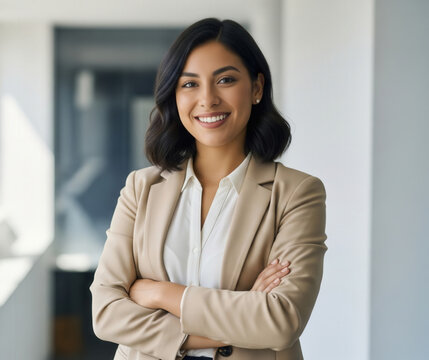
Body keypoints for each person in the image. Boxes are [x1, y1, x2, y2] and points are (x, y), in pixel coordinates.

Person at [90, 18, 327, 360]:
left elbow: (281, 320)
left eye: (226, 80)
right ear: (174, 94)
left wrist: (160, 294)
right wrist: (236, 322)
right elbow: (107, 313)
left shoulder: (297, 193)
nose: (208, 99)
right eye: (190, 84)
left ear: (257, 88)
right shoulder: (140, 189)